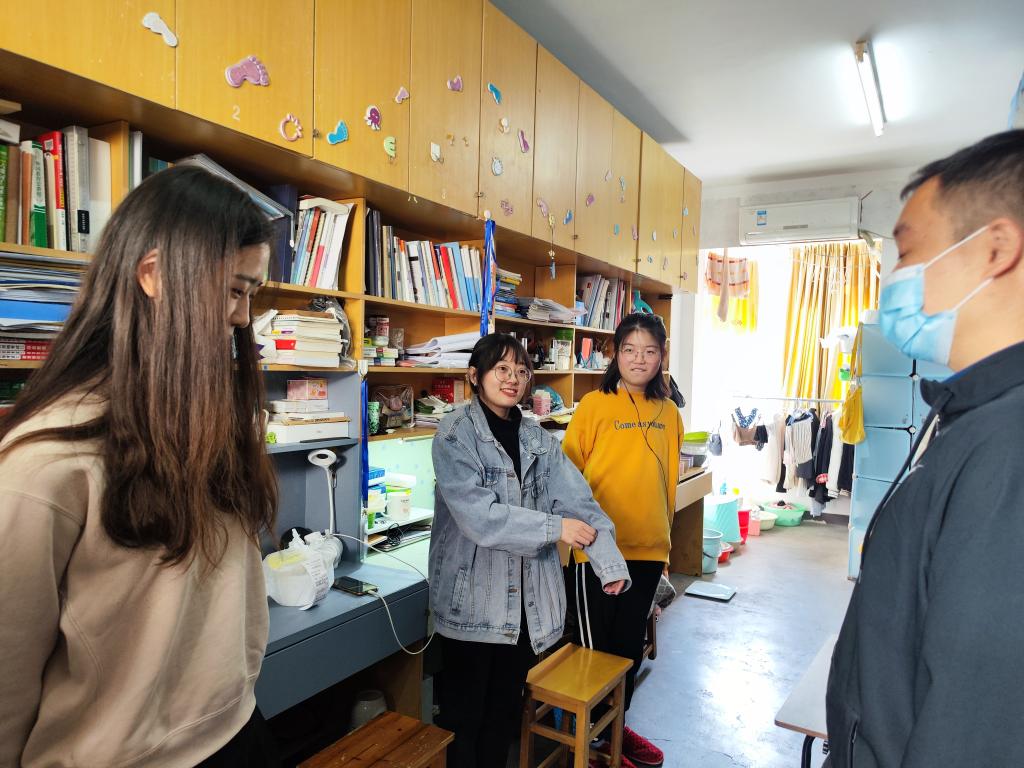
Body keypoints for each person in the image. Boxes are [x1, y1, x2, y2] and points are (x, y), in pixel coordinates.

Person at [0, 166, 281, 767]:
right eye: (235, 290)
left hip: (236, 730)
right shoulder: (45, 462)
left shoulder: (208, 423)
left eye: (251, 294)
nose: (242, 317)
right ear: (153, 275)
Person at [826, 130, 1024, 767]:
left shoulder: (1009, 446)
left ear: (995, 248)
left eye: (909, 253)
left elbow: (976, 727)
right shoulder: (973, 415)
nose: (896, 279)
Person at [430, 333, 630, 768]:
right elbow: (481, 518)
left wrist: (608, 562)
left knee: (502, 715)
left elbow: (578, 501)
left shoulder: (536, 438)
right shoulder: (454, 435)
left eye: (521, 371)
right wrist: (555, 528)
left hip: (524, 605)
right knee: (465, 718)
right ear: (475, 376)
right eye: (501, 369)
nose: (513, 379)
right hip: (472, 604)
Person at [562, 312, 684, 768]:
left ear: (661, 356)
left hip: (648, 550)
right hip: (597, 552)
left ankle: (614, 729)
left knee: (629, 649)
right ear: (615, 354)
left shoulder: (669, 412)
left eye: (649, 351)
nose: (639, 359)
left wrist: (666, 547)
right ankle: (590, 741)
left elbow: (668, 484)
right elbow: (566, 477)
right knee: (595, 652)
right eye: (630, 350)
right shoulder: (594, 406)